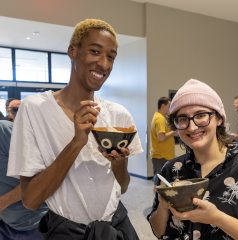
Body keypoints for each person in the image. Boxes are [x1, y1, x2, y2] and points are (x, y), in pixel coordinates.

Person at [7, 18, 143, 240]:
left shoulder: (119, 115)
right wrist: (76, 142)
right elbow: (30, 199)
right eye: (95, 51)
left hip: (116, 227)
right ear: (73, 51)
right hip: (67, 232)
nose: (104, 64)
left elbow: (124, 186)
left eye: (111, 56)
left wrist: (119, 166)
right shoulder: (35, 109)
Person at [147, 79, 238, 240]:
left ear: (219, 118)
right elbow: (158, 231)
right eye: (183, 119)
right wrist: (163, 205)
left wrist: (216, 218)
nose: (192, 127)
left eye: (201, 115)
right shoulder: (171, 170)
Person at [0, 99, 48, 240]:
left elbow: (43, 175)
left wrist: (4, 201)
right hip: (7, 223)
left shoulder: (4, 131)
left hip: (34, 223)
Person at [150, 97, 176, 180]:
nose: (170, 108)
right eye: (169, 105)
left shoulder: (160, 117)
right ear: (162, 106)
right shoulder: (160, 119)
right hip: (161, 157)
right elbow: (161, 137)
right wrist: (174, 132)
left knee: (163, 180)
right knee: (160, 181)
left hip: (163, 156)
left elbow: (164, 134)